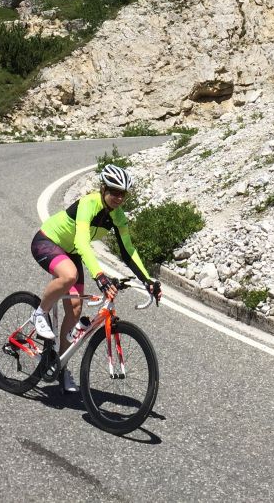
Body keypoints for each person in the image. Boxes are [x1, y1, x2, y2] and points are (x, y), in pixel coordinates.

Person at [29, 163, 162, 393]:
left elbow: (128, 251)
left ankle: (59, 365)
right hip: (48, 241)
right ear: (103, 189)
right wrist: (100, 276)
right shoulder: (88, 203)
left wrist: (148, 281)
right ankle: (39, 312)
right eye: (114, 192)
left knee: (76, 310)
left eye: (123, 194)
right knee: (69, 275)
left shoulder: (118, 217)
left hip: (70, 252)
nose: (118, 198)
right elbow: (81, 242)